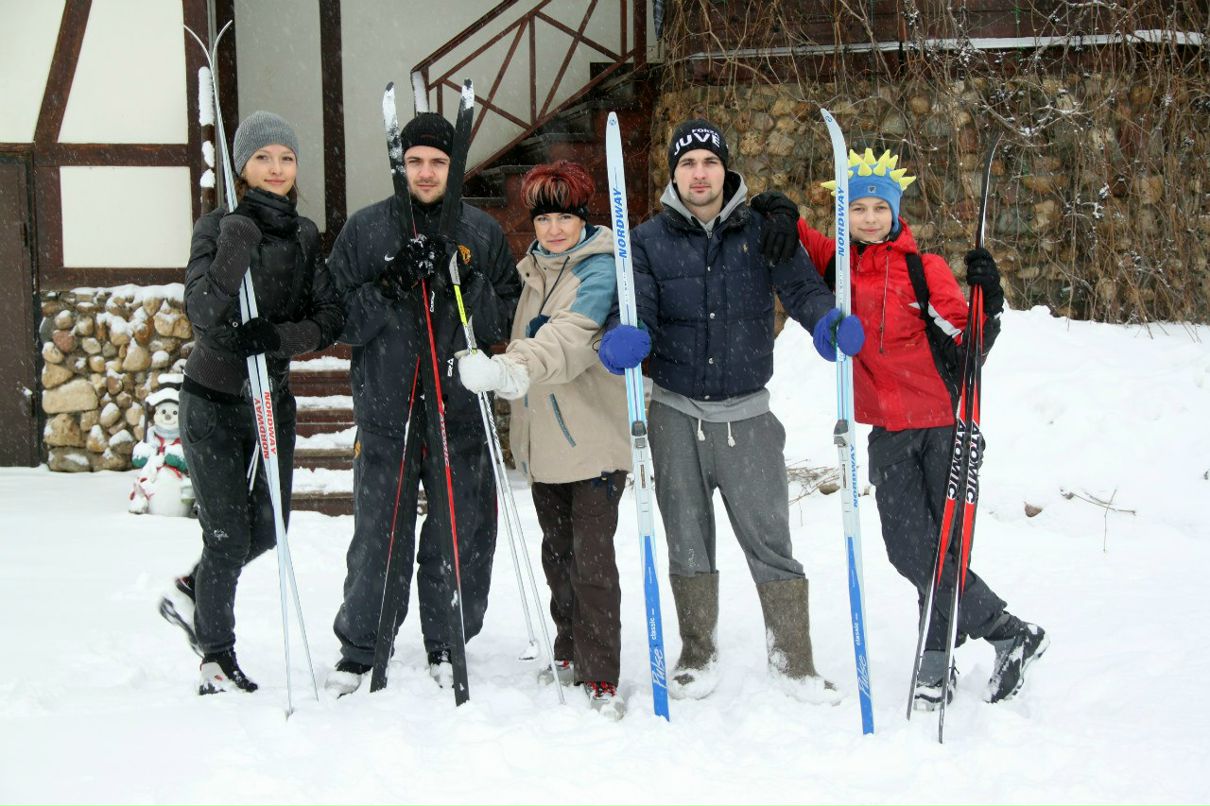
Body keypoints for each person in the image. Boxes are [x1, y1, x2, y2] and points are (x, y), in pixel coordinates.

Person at [597, 119, 862, 703]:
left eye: (709, 163)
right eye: (687, 164)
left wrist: (826, 320)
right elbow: (631, 302)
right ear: (674, 174)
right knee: (686, 538)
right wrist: (622, 335)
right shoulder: (646, 240)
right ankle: (698, 653)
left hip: (748, 415)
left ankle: (794, 660)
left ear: (726, 169)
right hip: (673, 413)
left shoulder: (762, 229)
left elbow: (802, 289)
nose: (699, 174)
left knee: (771, 539)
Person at [795, 146, 1048, 708]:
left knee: (943, 551)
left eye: (877, 208)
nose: (867, 218)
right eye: (856, 208)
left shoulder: (921, 267)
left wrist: (990, 300)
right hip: (887, 430)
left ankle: (936, 663)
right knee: (912, 550)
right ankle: (1010, 633)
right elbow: (795, 235)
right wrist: (763, 205)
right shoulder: (837, 267)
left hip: (943, 426)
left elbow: (967, 338)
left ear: (895, 212)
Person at [324, 112, 521, 696]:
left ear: (452, 165)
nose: (427, 172)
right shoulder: (365, 231)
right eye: (416, 161)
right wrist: (386, 287)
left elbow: (503, 317)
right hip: (387, 407)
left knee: (458, 529)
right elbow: (338, 318)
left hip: (458, 406)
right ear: (400, 165)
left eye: (438, 161)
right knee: (378, 530)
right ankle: (362, 647)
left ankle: (447, 638)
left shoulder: (480, 232)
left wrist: (466, 280)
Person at [158, 111, 346, 694]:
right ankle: (216, 656)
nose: (276, 168)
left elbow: (327, 317)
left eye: (286, 158)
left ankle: (195, 590)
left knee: (267, 528)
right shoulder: (218, 227)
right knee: (226, 536)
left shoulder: (305, 234)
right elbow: (204, 313)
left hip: (272, 398)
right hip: (213, 400)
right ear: (243, 167)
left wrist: (280, 339)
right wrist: (235, 246)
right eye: (263, 158)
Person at [457, 161, 631, 720]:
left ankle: (601, 671)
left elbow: (570, 340)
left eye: (565, 217)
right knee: (557, 555)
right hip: (544, 445)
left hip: (594, 442)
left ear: (584, 219)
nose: (554, 229)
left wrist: (510, 369)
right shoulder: (530, 272)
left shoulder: (600, 272)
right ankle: (568, 648)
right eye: (544, 218)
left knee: (592, 561)